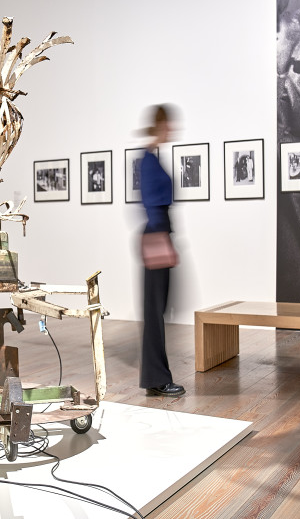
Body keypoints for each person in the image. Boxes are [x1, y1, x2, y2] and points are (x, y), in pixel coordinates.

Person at [138, 104, 184, 397]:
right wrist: (163, 242)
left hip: (160, 234)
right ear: (160, 126)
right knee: (155, 311)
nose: (173, 130)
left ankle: (155, 377)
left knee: (159, 309)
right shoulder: (147, 159)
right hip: (156, 234)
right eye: (169, 125)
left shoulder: (152, 157)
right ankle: (157, 378)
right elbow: (151, 205)